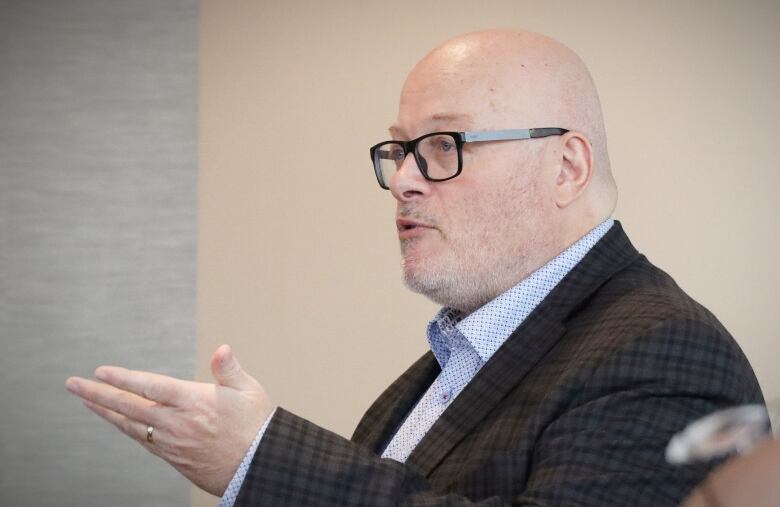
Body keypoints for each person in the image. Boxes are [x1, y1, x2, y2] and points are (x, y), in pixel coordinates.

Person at [65, 29, 764, 506]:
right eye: (399, 149)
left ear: (567, 165)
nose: (403, 179)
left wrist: (260, 458)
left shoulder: (666, 349)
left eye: (441, 144)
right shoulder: (464, 349)